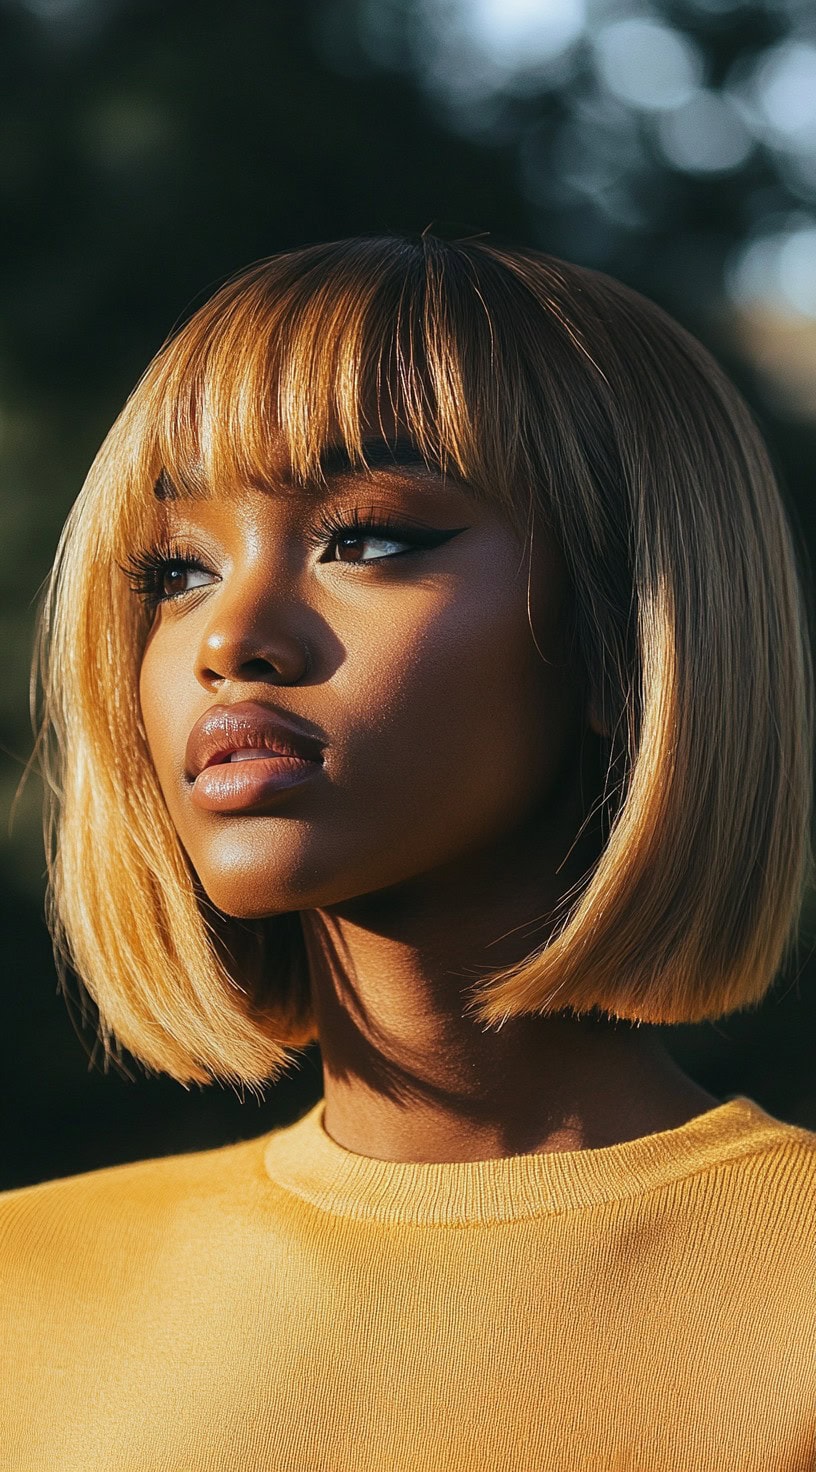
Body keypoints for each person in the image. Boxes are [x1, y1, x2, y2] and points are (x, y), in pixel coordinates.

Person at [1, 233, 814, 1470]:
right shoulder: (24, 1293)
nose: (231, 633)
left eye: (368, 539)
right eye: (177, 568)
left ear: (624, 638)